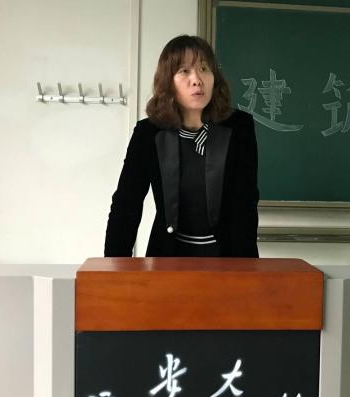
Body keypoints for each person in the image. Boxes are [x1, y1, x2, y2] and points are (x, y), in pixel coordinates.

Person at [104, 35, 259, 257]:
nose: (197, 80)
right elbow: (126, 205)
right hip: (168, 258)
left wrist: (246, 269)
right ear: (168, 81)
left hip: (227, 258)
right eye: (184, 71)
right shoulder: (148, 133)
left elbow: (246, 204)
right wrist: (113, 268)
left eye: (204, 69)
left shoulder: (239, 127)